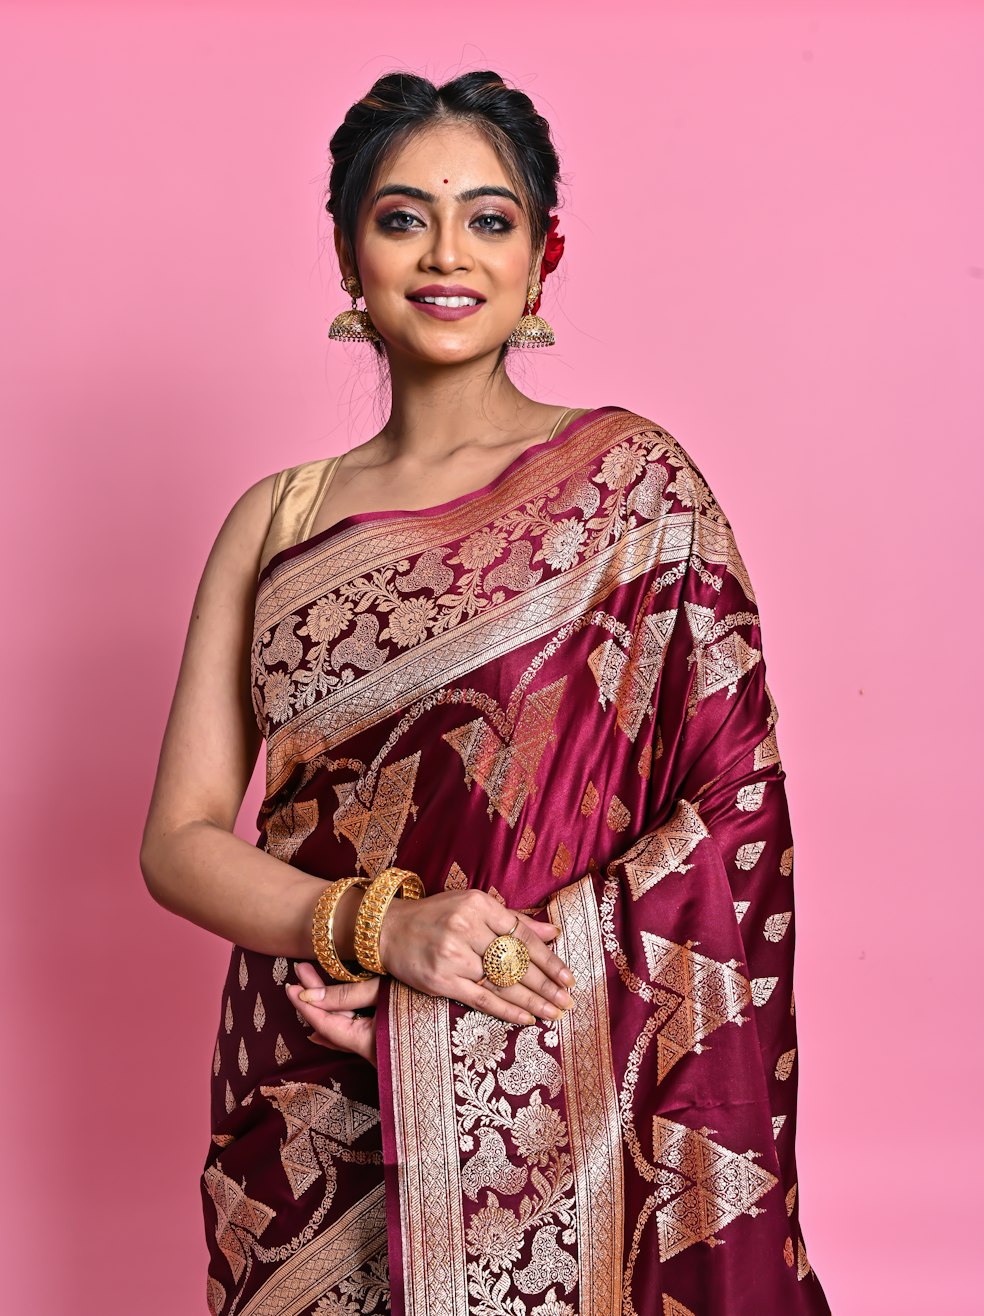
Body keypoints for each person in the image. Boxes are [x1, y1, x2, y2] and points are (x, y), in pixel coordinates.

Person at [140, 69, 833, 1316]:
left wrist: (468, 1014)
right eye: (402, 217)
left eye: (490, 218)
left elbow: (733, 821)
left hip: (555, 1100)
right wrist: (377, 926)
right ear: (350, 254)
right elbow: (179, 842)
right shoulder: (278, 520)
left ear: (541, 254)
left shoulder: (636, 490)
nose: (446, 252)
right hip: (311, 1100)